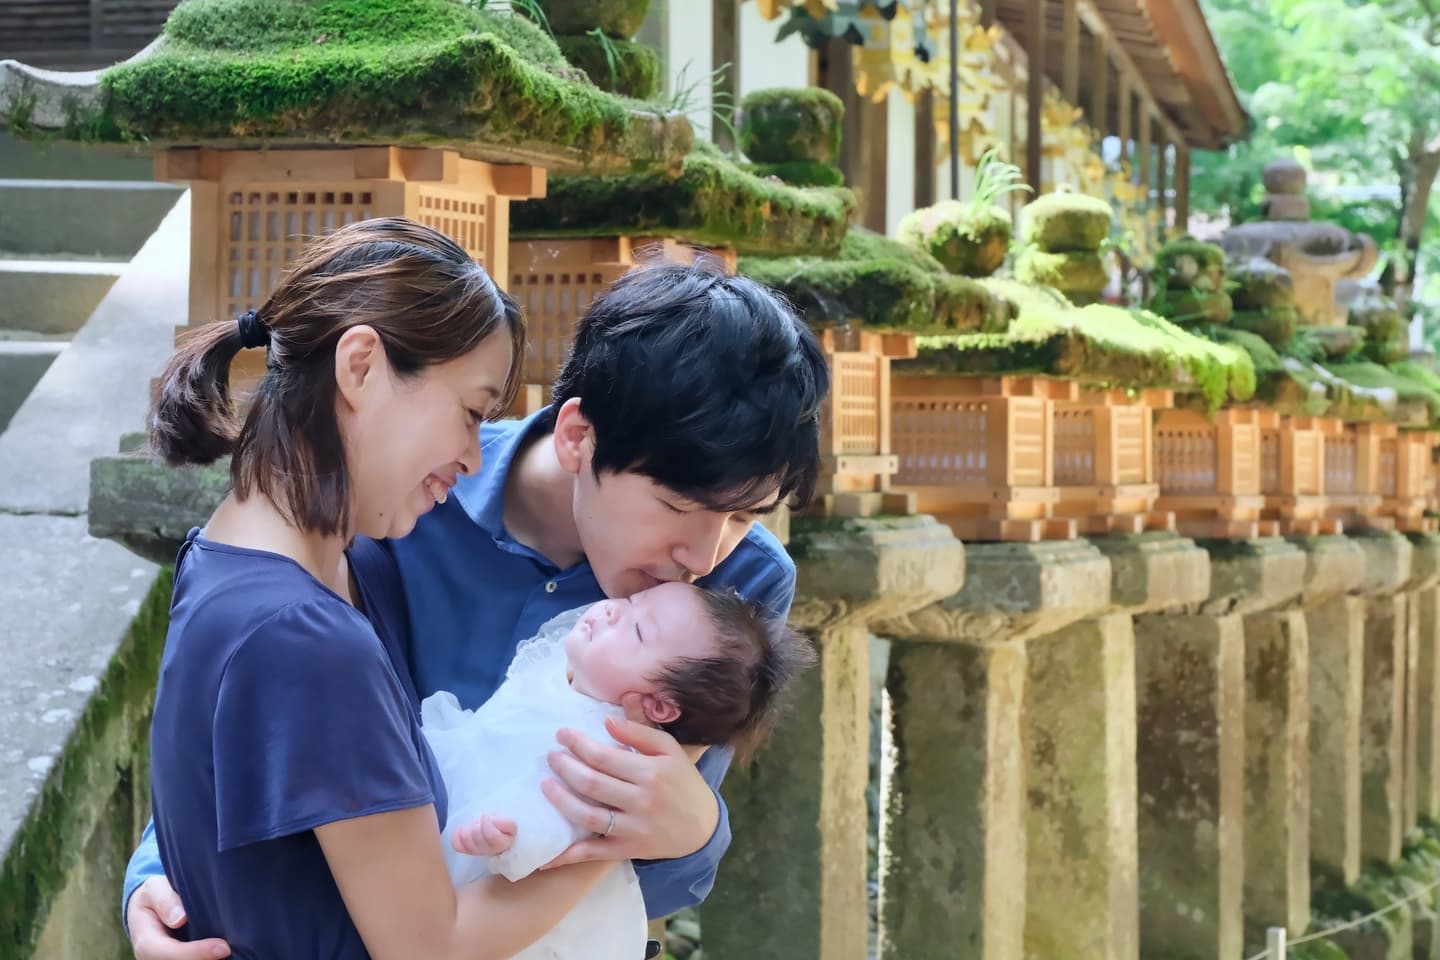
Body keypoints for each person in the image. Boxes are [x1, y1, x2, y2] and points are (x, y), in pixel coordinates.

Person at [124, 258, 831, 960]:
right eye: (678, 506)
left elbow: (654, 868)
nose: (704, 555)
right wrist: (165, 871)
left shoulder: (742, 582)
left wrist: (692, 830)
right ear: (578, 436)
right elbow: (273, 706)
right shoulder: (402, 498)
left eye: (744, 515)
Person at [142, 217, 623, 960]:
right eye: (470, 412)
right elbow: (431, 946)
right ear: (361, 366)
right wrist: (611, 833)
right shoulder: (307, 634)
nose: (473, 457)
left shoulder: (255, 564)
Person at [425, 583, 814, 960]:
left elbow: (564, 817)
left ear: (659, 706)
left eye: (639, 631)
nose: (612, 610)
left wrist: (512, 837)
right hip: (471, 777)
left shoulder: (612, 753)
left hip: (510, 886)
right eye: (631, 601)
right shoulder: (566, 664)